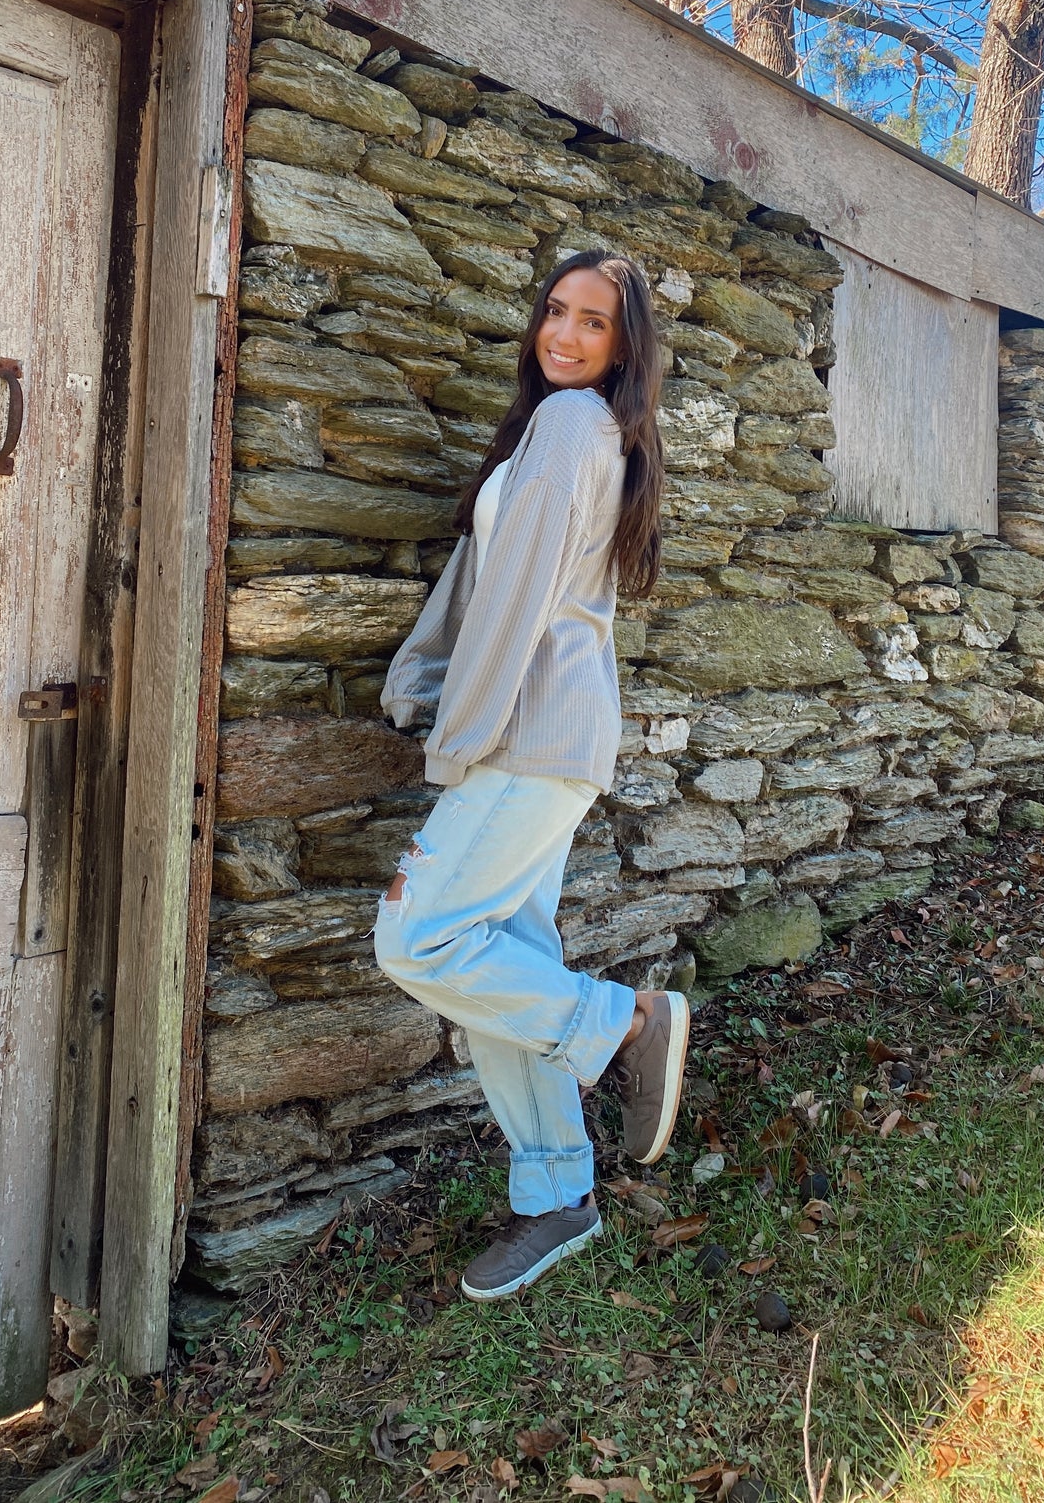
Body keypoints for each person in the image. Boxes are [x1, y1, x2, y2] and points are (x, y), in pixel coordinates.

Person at [375, 247, 690, 1301]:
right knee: (504, 960)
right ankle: (556, 1193)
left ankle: (626, 1023)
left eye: (591, 322)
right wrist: (423, 682)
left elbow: (511, 605)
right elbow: (483, 581)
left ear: (623, 346)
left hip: (527, 738)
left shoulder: (567, 428)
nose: (562, 333)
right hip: (551, 739)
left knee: (418, 935)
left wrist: (453, 735)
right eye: (554, 311)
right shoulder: (568, 431)